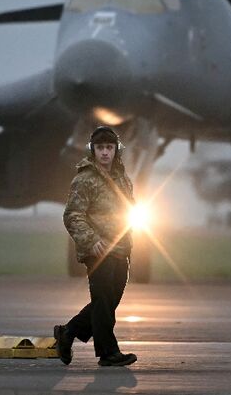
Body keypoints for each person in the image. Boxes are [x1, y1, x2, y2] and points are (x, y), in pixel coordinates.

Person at [54, 126, 138, 367]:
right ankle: (108, 352)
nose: (104, 153)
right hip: (98, 251)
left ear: (115, 150)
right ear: (93, 150)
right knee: (102, 301)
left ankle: (68, 332)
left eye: (109, 148)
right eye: (100, 148)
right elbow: (72, 215)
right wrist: (91, 241)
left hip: (122, 248)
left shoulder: (123, 179)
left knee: (110, 301)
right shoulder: (85, 179)